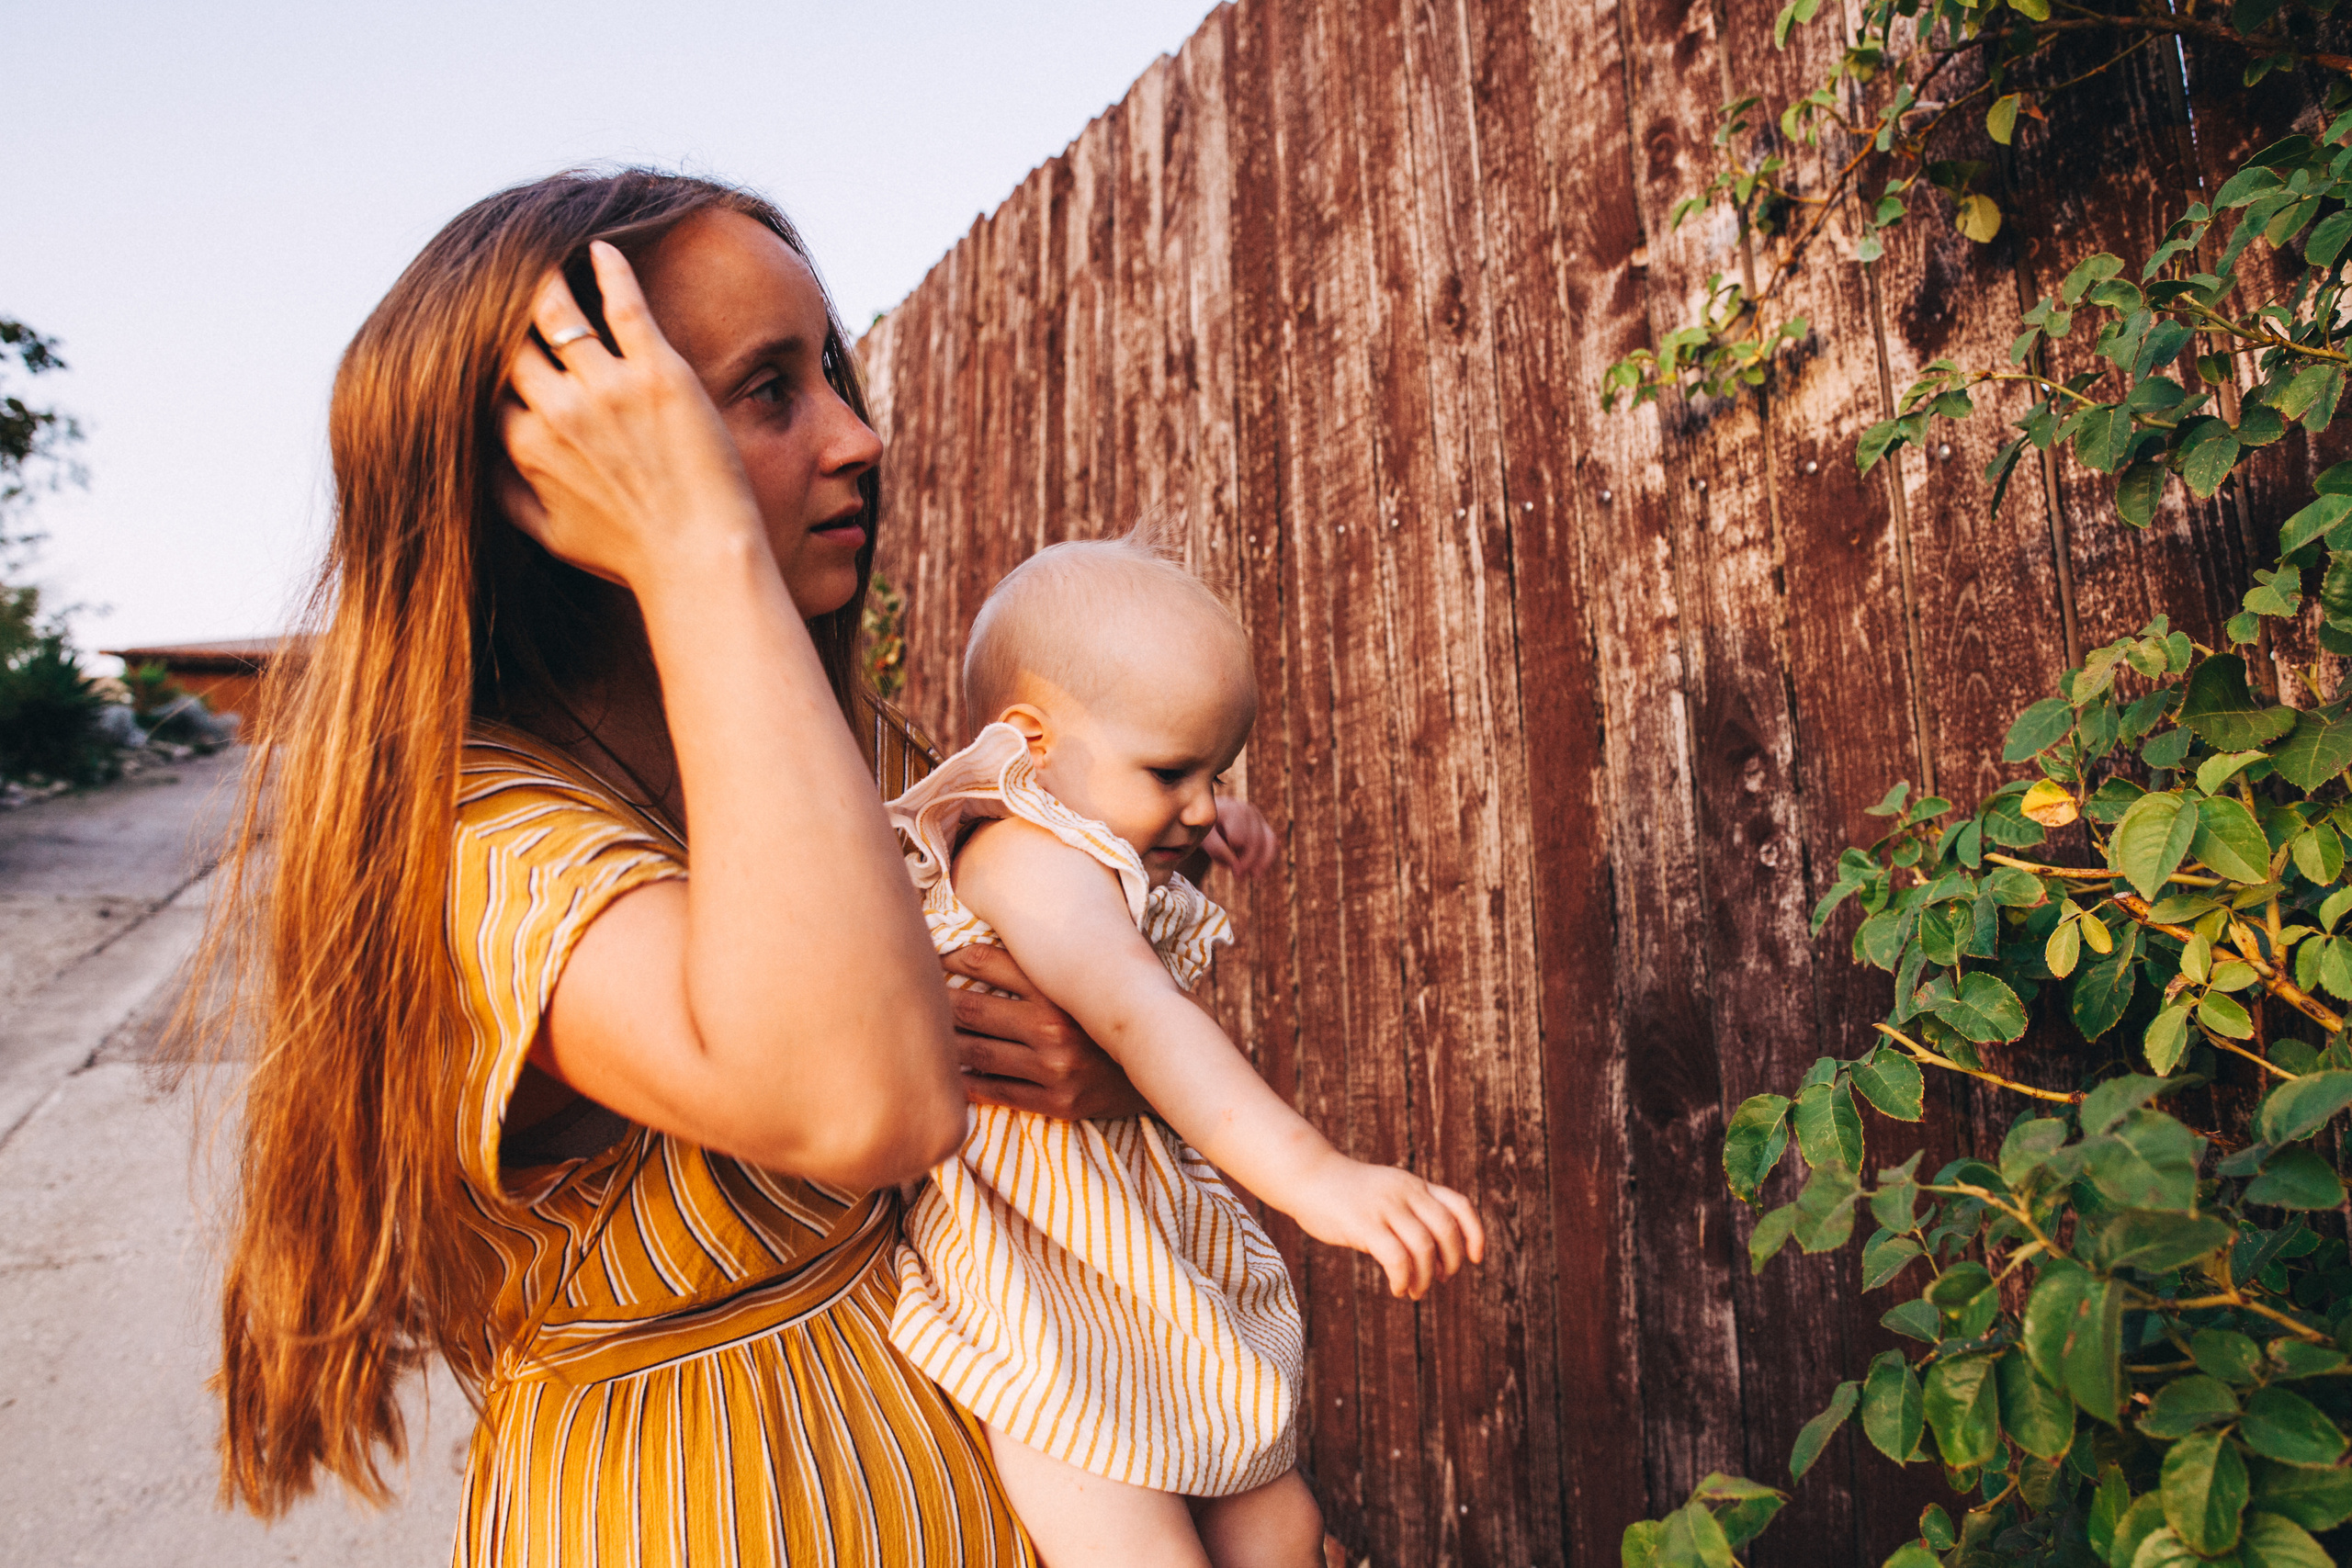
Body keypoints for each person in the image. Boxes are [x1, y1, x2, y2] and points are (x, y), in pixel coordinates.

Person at [187, 167, 1271, 1566]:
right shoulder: (481, 841)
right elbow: (866, 1104)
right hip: (711, 1506)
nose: (861, 434)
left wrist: (1103, 1065)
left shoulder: (823, 742)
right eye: (768, 392)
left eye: (831, 371)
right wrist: (697, 542)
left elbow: (1049, 988)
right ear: (561, 468)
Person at [883, 534, 1487, 1568]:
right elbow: (1140, 1016)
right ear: (1029, 747)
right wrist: (1315, 1175)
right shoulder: (1023, 859)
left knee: (1283, 1528)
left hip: (1132, 1262)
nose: (1203, 804)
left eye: (1216, 773)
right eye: (1173, 772)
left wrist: (1197, 828)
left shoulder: (1078, 827)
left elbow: (1121, 834)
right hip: (1043, 1299)